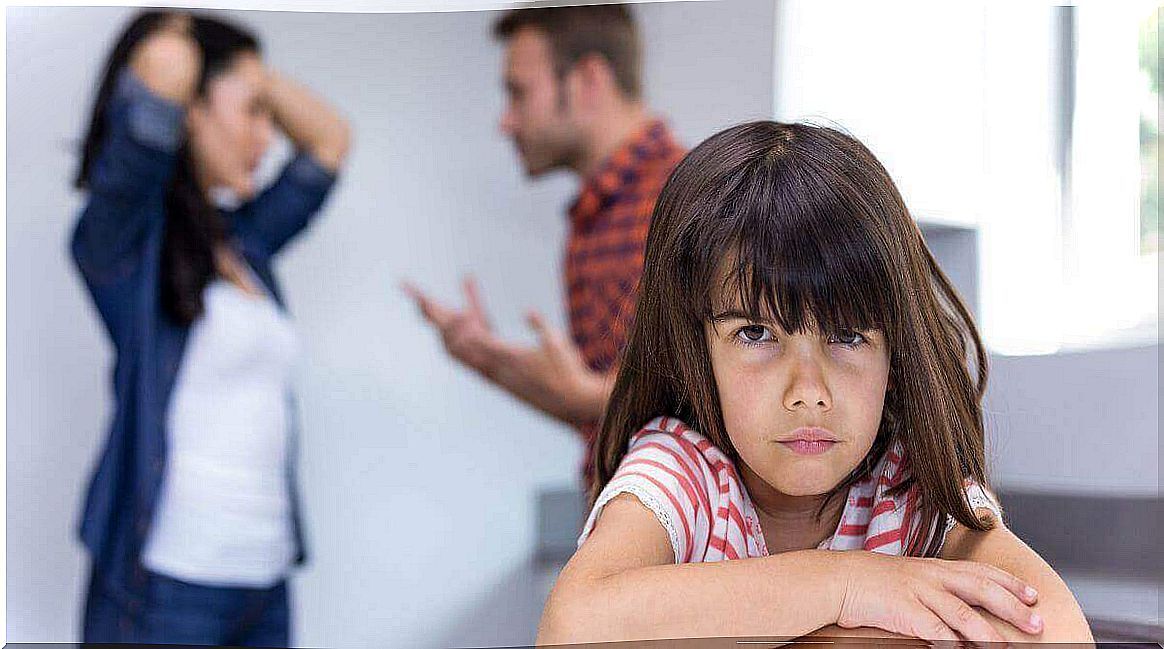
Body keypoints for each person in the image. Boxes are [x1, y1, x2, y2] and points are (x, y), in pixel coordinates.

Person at [536, 121, 1094, 645]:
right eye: (756, 333)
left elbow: (1059, 630)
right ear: (696, 351)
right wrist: (850, 585)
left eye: (848, 336)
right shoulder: (682, 472)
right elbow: (573, 626)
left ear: (895, 356)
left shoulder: (910, 487)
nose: (808, 390)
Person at [70, 10, 350, 645]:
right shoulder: (123, 248)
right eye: (251, 112)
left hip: (265, 582)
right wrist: (186, 27)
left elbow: (331, 142)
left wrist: (254, 76)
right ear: (191, 112)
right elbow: (164, 72)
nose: (267, 136)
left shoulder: (245, 243)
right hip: (164, 591)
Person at [402, 5, 685, 489]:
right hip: (621, 517)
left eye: (518, 92)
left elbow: (712, 397)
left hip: (673, 542)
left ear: (589, 80)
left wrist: (589, 395)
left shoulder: (691, 198)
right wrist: (490, 361)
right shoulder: (592, 215)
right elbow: (604, 415)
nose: (506, 122)